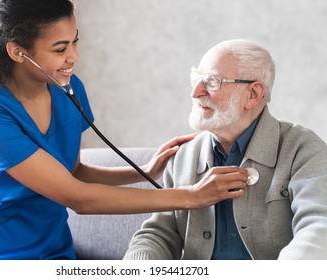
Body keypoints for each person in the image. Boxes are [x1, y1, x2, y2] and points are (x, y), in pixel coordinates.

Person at [0, 1, 250, 260]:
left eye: (75, 41)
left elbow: (72, 171)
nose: (74, 56)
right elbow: (79, 198)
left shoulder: (68, 88)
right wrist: (191, 197)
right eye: (60, 48)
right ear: (18, 52)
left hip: (53, 247)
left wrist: (145, 171)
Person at [123, 39, 327, 260]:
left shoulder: (303, 148)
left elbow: (318, 229)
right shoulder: (182, 155)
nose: (195, 92)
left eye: (212, 81)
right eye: (197, 79)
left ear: (252, 94)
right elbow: (159, 234)